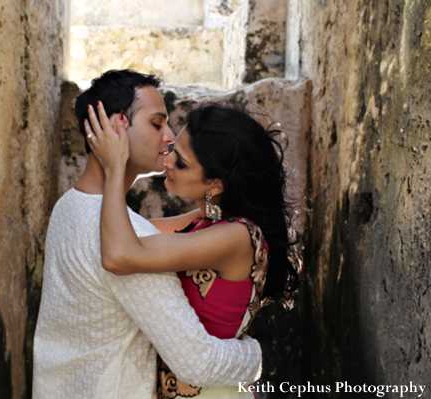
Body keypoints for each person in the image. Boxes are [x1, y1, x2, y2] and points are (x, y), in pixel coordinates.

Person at [33, 70, 263, 399]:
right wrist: (254, 356)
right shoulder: (130, 241)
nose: (169, 136)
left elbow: (195, 223)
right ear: (115, 128)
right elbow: (198, 362)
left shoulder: (68, 208)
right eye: (157, 124)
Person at [84, 100, 302, 398]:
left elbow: (119, 255)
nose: (168, 161)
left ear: (215, 184)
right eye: (174, 149)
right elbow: (124, 233)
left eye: (182, 162)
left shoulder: (237, 236)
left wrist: (115, 167)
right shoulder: (202, 224)